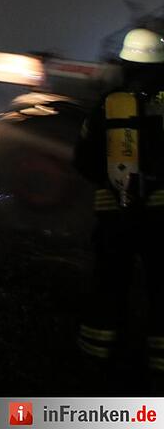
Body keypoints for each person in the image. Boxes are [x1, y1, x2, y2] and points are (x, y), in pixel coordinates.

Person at [73, 27, 164, 385]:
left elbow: (83, 159)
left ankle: (95, 358)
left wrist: (114, 183)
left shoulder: (109, 104)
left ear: (125, 63)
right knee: (161, 288)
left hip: (115, 214)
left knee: (108, 285)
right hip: (162, 217)